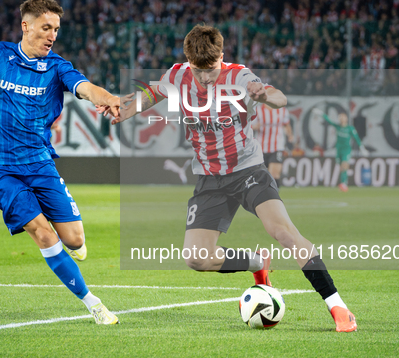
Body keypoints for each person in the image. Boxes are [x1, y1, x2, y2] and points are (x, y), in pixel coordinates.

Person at [108, 25, 357, 332]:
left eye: (211, 70)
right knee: (196, 259)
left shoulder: (239, 76)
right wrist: (125, 109)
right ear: (188, 62)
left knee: (283, 232)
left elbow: (280, 99)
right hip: (209, 178)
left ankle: (338, 307)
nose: (205, 78)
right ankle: (257, 263)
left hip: (247, 171)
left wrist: (264, 94)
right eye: (199, 71)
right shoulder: (177, 76)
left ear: (221, 58)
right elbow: (152, 92)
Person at [0, 0, 129, 325]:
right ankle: (93, 303)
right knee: (43, 234)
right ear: (26, 26)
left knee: (75, 239)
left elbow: (84, 88)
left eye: (56, 29)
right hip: (0, 169)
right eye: (45, 28)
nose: (52, 35)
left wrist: (108, 98)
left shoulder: (57, 67)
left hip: (40, 163)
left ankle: (73, 247)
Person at [314, 109, 368, 192]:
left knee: (344, 165)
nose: (341, 118)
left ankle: (344, 183)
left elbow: (356, 138)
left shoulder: (350, 128)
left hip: (346, 150)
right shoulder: (337, 127)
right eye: (340, 117)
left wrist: (362, 148)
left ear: (346, 119)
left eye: (343, 117)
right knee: (342, 168)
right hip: (339, 150)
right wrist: (321, 113)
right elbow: (328, 120)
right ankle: (343, 182)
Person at [252, 104, 293, 190]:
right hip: (261, 148)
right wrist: (256, 126)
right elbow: (250, 126)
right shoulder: (257, 110)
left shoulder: (282, 110)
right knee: (261, 175)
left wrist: (290, 135)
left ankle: (274, 197)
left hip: (277, 146)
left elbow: (286, 124)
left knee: (274, 174)